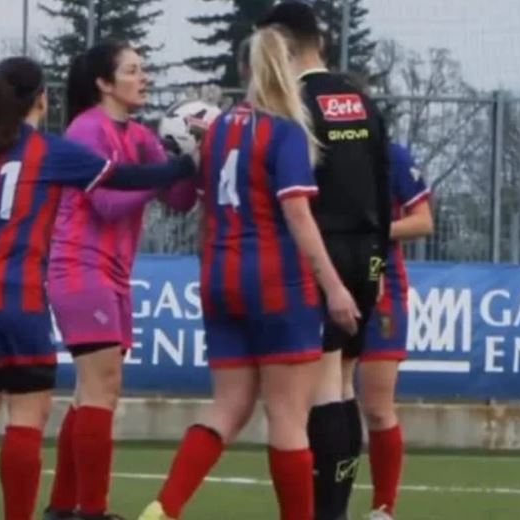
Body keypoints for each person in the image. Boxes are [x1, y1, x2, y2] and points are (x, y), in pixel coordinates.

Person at [0, 56, 197, 520]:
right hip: (15, 293)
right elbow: (123, 178)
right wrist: (185, 165)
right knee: (27, 415)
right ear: (41, 99)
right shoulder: (47, 150)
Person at [137, 25, 359, 520]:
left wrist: (212, 271)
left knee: (225, 408)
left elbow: (203, 212)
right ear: (293, 66)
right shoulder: (285, 133)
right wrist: (336, 287)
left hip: (221, 278)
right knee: (287, 417)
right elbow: (298, 218)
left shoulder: (214, 131)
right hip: (277, 284)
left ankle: (164, 507)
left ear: (243, 71)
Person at [43, 41, 196, 520]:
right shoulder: (87, 129)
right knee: (101, 388)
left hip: (112, 272)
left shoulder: (142, 135)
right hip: (79, 265)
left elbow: (178, 198)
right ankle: (94, 509)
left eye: (143, 69)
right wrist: (166, 170)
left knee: (91, 390)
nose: (143, 77)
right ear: (104, 84)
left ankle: (63, 506)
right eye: (133, 70)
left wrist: (196, 156)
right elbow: (108, 203)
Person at [257, 3, 393, 519]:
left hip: (322, 255)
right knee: (342, 383)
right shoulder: (360, 99)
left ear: (283, 45)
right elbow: (383, 189)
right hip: (366, 255)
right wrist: (378, 266)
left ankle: (322, 510)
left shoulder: (294, 103)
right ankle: (333, 507)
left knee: (320, 387)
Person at [358, 143, 433, 519]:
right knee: (321, 405)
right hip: (321, 285)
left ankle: (383, 509)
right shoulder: (311, 151)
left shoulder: (391, 156)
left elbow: (423, 220)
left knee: (376, 407)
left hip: (382, 292)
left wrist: (372, 231)